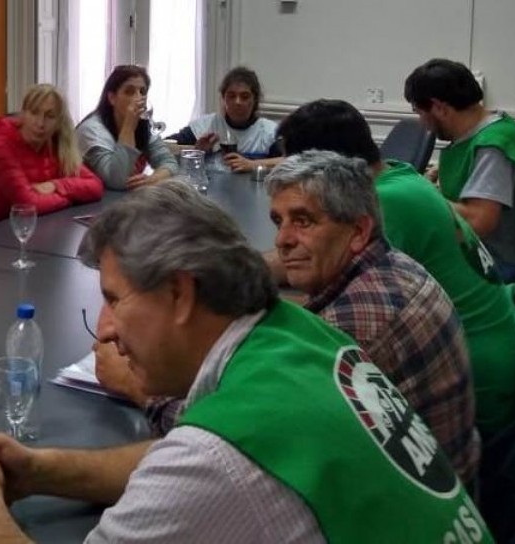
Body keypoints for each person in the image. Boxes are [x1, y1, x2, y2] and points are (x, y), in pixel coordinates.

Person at [0, 182, 490, 543]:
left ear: (180, 293)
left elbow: (206, 464)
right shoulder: (295, 332)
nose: (104, 329)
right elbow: (177, 456)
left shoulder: (218, 461)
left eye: (113, 298)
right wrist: (36, 470)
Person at [100, 151, 480, 483]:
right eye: (278, 221)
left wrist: (137, 387)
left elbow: (227, 432)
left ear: (358, 230)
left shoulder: (353, 329)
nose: (282, 239)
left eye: (303, 221)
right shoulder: (390, 267)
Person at [276, 99, 515, 434]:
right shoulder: (399, 175)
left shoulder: (385, 203)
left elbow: (313, 287)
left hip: (482, 386)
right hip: (483, 349)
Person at [404, 58, 515, 280]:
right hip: (474, 253)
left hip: (494, 264)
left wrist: (420, 195)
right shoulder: (478, 130)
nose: (421, 122)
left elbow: (479, 221)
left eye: (419, 111)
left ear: (439, 108)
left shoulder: (494, 145)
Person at [0, 84, 103, 221]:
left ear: (58, 122)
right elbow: (29, 205)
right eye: (34, 113)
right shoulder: (0, 146)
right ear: (23, 114)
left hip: (39, 227)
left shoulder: (55, 145)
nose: (40, 123)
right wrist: (70, 198)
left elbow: (95, 186)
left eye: (50, 116)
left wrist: (56, 185)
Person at [77, 65, 178, 191]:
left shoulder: (143, 124)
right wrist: (129, 127)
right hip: (88, 206)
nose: (138, 98)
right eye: (129, 92)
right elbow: (117, 180)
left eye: (143, 92)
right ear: (112, 98)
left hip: (122, 201)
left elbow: (169, 162)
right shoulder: (91, 130)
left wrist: (152, 179)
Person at [167, 66, 282, 174]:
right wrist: (197, 150)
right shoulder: (206, 125)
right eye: (231, 96)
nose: (237, 102)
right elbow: (164, 148)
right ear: (224, 99)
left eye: (245, 97)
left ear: (255, 99)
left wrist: (253, 164)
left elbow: (294, 161)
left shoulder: (268, 131)